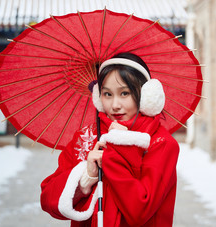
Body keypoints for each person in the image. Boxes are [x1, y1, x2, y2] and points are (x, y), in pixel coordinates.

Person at [40, 52, 180, 226]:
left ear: (146, 97)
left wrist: (115, 153)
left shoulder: (161, 144)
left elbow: (140, 211)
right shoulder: (86, 138)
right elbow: (48, 200)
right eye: (107, 94)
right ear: (98, 97)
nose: (114, 105)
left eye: (125, 93)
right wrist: (87, 177)